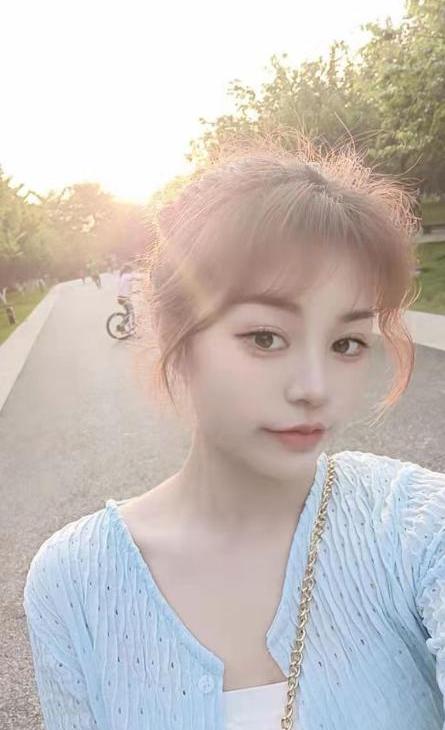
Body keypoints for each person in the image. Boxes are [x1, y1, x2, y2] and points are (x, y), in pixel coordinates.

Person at [23, 135, 445, 730]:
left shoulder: (414, 528)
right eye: (265, 338)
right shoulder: (73, 583)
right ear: (177, 335)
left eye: (346, 343)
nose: (314, 387)